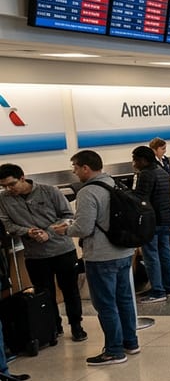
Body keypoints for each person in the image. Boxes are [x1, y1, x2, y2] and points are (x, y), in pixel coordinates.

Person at [50, 151, 137, 366]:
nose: (74, 171)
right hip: (124, 251)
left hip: (101, 256)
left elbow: (84, 228)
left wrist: (65, 231)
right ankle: (131, 342)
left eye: (75, 167)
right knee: (124, 299)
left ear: (86, 168)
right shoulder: (114, 183)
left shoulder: (88, 192)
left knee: (106, 304)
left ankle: (114, 351)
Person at [0, 164, 87, 342]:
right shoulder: (3, 199)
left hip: (62, 250)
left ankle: (77, 326)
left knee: (70, 290)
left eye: (12, 184)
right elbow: (7, 224)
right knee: (45, 294)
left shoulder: (50, 191)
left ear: (22, 178)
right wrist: (28, 232)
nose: (9, 189)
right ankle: (54, 327)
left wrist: (49, 231)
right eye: (4, 186)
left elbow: (68, 216)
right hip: (35, 255)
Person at [131, 146, 170, 303]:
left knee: (151, 255)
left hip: (152, 220)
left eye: (135, 159)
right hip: (166, 218)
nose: (133, 163)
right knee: (165, 253)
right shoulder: (162, 171)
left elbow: (140, 198)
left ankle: (158, 291)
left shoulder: (146, 174)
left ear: (143, 160)